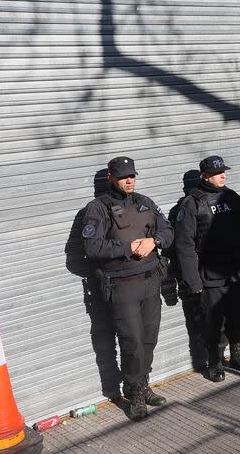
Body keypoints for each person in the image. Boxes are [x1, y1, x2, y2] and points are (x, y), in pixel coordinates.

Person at [81, 156, 173, 421]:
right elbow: (92, 247)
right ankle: (133, 393)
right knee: (131, 341)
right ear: (111, 178)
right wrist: (129, 247)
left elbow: (168, 232)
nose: (129, 180)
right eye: (123, 177)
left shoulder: (146, 203)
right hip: (122, 286)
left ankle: (143, 384)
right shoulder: (97, 209)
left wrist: (154, 241)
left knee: (149, 339)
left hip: (150, 280)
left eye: (132, 175)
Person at [173, 156, 240, 382]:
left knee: (238, 317)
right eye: (218, 173)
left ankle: (236, 356)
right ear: (205, 176)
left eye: (224, 171)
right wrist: (191, 279)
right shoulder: (192, 204)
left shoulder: (232, 197)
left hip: (235, 270)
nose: (223, 175)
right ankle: (214, 361)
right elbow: (184, 245)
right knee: (212, 322)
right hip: (210, 275)